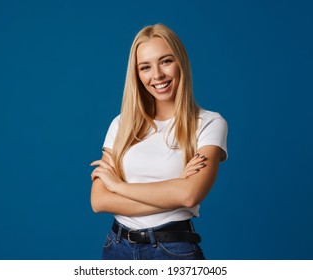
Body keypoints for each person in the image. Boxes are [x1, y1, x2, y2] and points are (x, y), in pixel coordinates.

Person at [90, 23, 228, 260]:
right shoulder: (122, 124)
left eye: (165, 61)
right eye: (145, 67)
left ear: (180, 62)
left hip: (172, 249)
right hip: (117, 247)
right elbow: (99, 200)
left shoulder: (208, 124)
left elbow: (189, 195)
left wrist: (118, 187)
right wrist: (172, 190)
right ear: (137, 73)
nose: (157, 75)